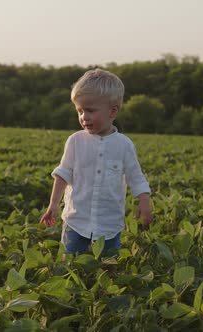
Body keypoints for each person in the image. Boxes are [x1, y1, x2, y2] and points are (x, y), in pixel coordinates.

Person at [40, 68, 152, 256]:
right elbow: (62, 174)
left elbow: (136, 177)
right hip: (76, 219)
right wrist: (53, 204)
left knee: (109, 264)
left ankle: (105, 285)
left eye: (90, 110)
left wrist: (144, 201)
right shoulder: (75, 141)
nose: (84, 117)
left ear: (113, 111)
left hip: (109, 222)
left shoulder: (124, 145)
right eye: (80, 111)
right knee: (70, 263)